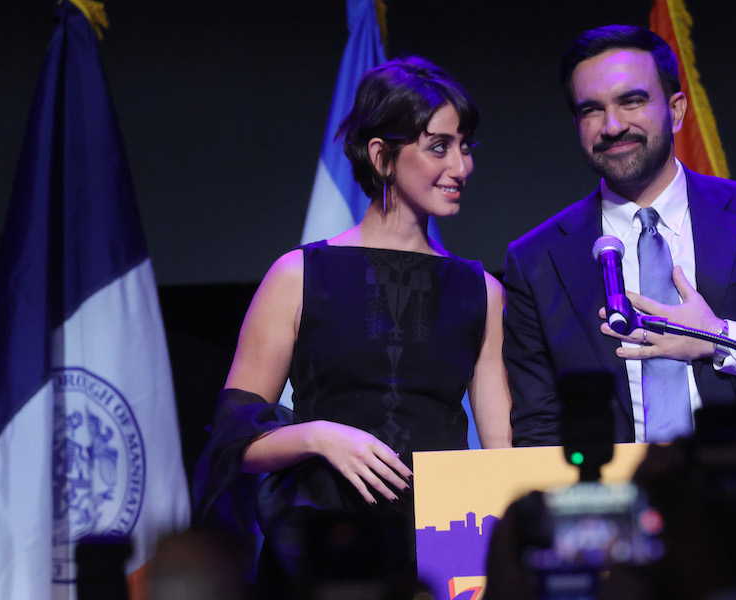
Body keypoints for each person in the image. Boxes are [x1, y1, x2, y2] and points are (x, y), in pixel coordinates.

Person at [501, 25, 736, 562]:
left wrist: (721, 340)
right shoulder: (537, 257)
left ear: (676, 109)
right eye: (592, 110)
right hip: (622, 545)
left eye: (632, 101)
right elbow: (540, 428)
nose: (613, 126)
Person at [192, 56, 512, 593]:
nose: (461, 165)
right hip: (320, 548)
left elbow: (501, 456)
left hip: (440, 553)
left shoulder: (482, 291)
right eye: (440, 146)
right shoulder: (298, 275)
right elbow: (231, 443)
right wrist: (317, 435)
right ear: (381, 155)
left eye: (465, 146)